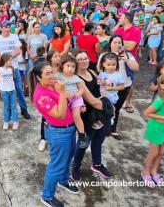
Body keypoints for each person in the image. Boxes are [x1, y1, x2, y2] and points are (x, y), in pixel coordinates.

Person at [31, 62, 79, 207]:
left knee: (67, 158)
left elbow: (64, 101)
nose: (52, 75)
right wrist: (63, 93)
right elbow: (59, 114)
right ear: (39, 77)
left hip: (69, 128)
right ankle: (47, 196)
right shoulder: (40, 96)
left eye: (52, 71)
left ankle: (63, 181)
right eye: (47, 73)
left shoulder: (53, 85)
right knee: (56, 165)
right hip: (59, 132)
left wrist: (74, 101)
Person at [72, 51, 113, 181]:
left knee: (99, 140)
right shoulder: (77, 79)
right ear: (75, 62)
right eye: (80, 59)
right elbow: (91, 100)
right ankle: (76, 166)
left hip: (99, 114)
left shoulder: (93, 72)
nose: (84, 61)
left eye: (86, 58)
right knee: (84, 143)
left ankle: (97, 164)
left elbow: (102, 90)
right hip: (88, 115)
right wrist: (108, 108)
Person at [0, 20, 31, 119]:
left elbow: (18, 51)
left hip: (15, 69)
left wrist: (7, 58)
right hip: (4, 70)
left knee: (19, 90)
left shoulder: (14, 37)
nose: (7, 29)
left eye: (9, 27)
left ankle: (24, 110)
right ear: (1, 28)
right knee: (6, 92)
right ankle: (9, 112)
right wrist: (5, 63)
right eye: (5, 27)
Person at [113, 13, 141, 113]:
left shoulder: (135, 30)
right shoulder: (119, 29)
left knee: (129, 82)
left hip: (129, 58)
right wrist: (118, 24)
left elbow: (131, 47)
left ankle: (128, 102)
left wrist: (119, 43)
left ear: (126, 19)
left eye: (121, 17)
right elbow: (111, 38)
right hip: (116, 58)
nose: (119, 18)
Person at [55, 55, 87, 146]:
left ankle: (81, 134)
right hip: (64, 99)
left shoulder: (76, 77)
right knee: (64, 114)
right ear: (62, 66)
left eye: (73, 67)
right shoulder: (58, 76)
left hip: (76, 99)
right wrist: (64, 94)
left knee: (76, 116)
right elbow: (54, 87)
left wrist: (78, 94)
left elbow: (82, 89)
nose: (70, 69)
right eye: (68, 66)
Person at [0, 53, 18, 130]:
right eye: (9, 60)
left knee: (13, 106)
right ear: (4, 61)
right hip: (4, 91)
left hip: (12, 90)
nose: (11, 62)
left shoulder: (11, 69)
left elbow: (13, 78)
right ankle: (6, 121)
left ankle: (15, 121)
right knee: (6, 107)